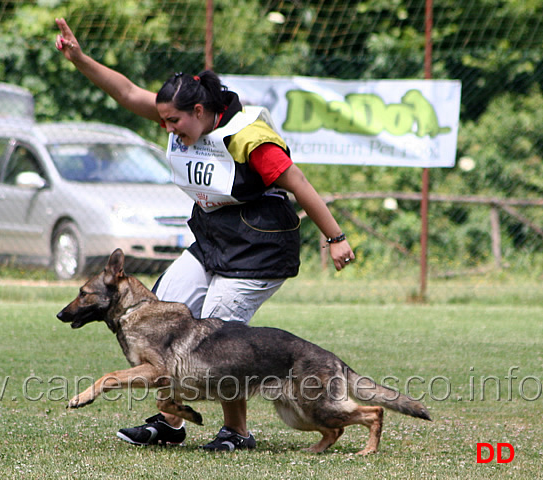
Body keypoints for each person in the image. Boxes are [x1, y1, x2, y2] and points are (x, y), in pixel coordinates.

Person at [55, 17, 355, 452]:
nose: (167, 128)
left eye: (173, 120)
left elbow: (300, 184)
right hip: (214, 241)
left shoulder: (249, 138)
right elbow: (125, 92)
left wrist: (336, 237)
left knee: (218, 338)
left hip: (260, 247)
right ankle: (170, 422)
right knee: (160, 312)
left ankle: (237, 432)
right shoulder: (181, 116)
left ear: (200, 111)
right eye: (162, 120)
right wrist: (80, 59)